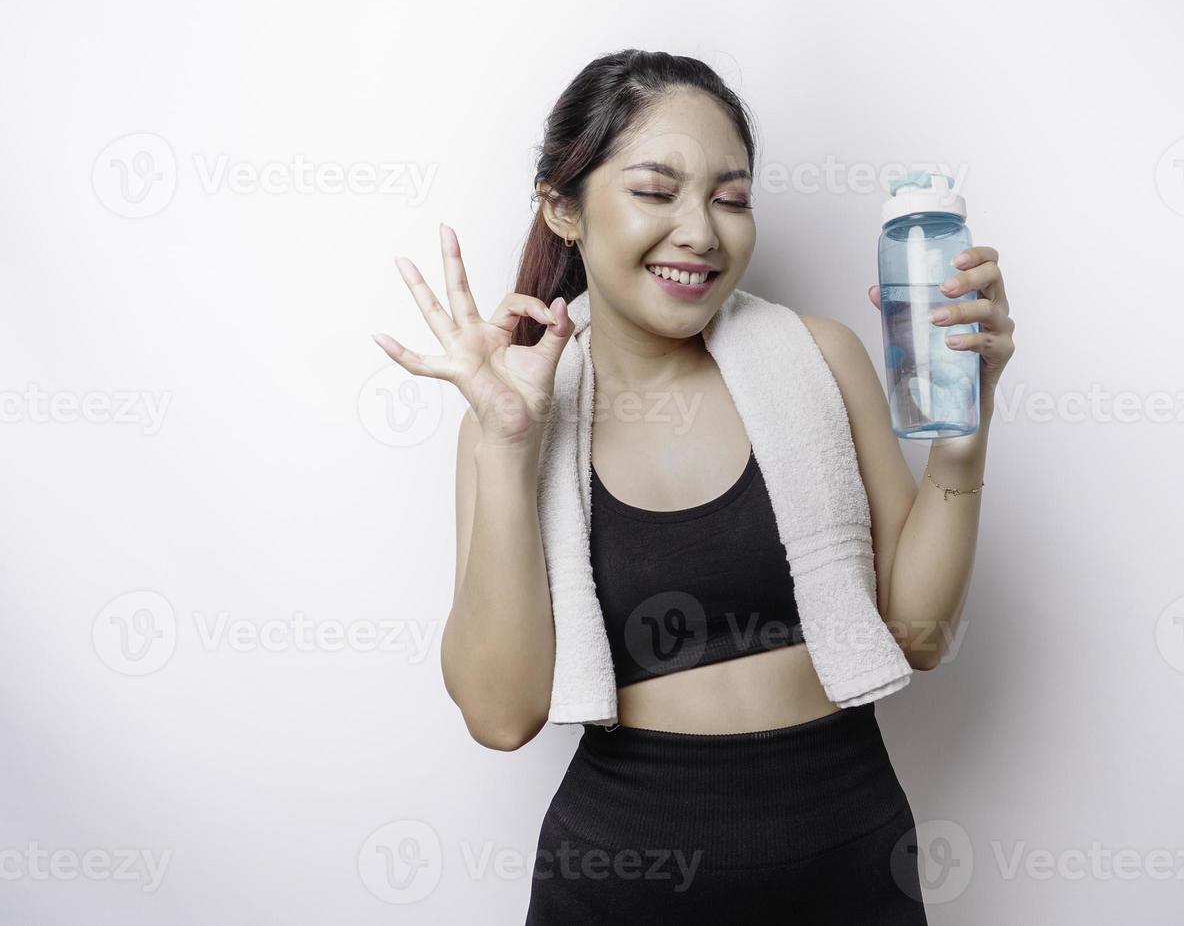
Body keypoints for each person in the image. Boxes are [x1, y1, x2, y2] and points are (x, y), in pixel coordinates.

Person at [371, 48, 1015, 924]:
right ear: (564, 207)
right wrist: (508, 446)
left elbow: (918, 637)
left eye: (731, 197)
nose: (702, 232)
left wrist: (961, 444)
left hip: (852, 856)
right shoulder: (512, 417)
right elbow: (500, 714)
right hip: (622, 876)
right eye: (654, 190)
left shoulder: (822, 360)